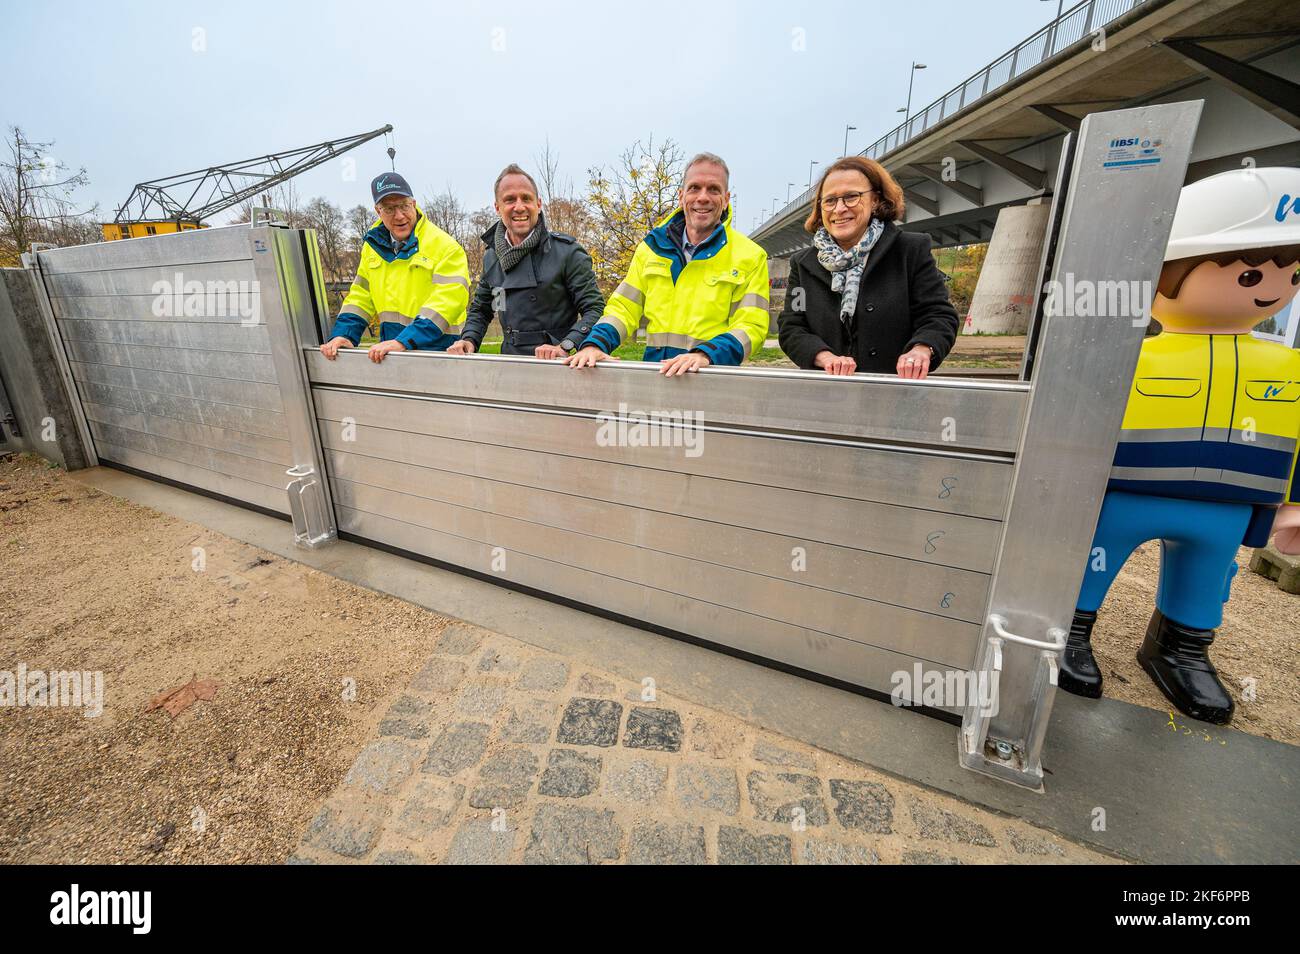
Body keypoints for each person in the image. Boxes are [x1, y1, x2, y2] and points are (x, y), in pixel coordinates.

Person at [1059, 167, 1300, 724]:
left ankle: (1181, 650)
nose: (1269, 287)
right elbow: (1076, 419)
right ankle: (1069, 632)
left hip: (1227, 506)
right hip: (1123, 493)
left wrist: (1290, 505)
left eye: (1288, 274)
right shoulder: (1127, 356)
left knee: (1207, 579)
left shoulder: (1285, 365)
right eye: (1246, 275)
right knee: (1088, 568)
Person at [565, 152, 769, 376]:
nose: (703, 197)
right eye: (694, 188)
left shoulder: (750, 256)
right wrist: (595, 344)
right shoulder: (651, 249)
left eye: (713, 189)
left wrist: (705, 355)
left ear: (727, 199)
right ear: (681, 196)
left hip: (711, 379)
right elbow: (623, 309)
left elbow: (752, 326)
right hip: (655, 376)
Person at [777, 156, 957, 378]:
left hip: (895, 393)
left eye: (851, 197)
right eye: (830, 200)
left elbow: (938, 315)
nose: (840, 208)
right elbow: (792, 326)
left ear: (875, 200)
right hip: (826, 395)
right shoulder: (803, 264)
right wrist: (825, 357)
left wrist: (921, 349)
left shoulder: (910, 250)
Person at [447, 164, 603, 358]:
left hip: (559, 364)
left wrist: (566, 344)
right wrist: (468, 339)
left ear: (538, 204)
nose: (519, 207)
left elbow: (594, 308)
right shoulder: (491, 257)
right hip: (510, 363)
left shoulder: (567, 252)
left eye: (526, 198)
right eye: (510, 200)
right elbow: (481, 309)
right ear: (497, 207)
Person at [319, 172, 470, 363]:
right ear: (378, 211)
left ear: (414, 204)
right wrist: (345, 334)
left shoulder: (445, 246)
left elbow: (448, 301)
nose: (399, 216)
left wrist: (404, 341)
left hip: (440, 351)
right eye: (389, 209)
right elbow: (360, 296)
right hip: (392, 353)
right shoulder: (372, 248)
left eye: (404, 206)